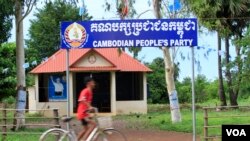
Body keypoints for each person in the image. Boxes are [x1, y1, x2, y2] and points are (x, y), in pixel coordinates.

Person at [77, 76, 96, 141]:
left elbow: (88, 103)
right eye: (93, 82)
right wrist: (90, 107)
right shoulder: (85, 91)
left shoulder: (90, 92)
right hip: (82, 113)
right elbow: (82, 100)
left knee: (86, 129)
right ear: (89, 83)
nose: (94, 84)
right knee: (94, 125)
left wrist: (91, 111)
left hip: (85, 113)